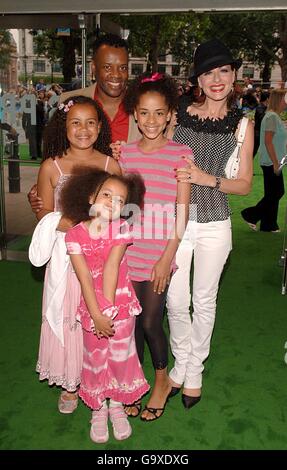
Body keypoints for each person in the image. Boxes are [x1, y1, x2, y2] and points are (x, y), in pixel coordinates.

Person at [165, 39, 254, 408]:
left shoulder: (244, 124)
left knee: (204, 300)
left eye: (223, 70)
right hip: (175, 220)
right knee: (173, 299)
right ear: (197, 80)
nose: (216, 79)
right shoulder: (176, 113)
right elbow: (156, 154)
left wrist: (207, 178)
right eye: (208, 72)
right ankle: (180, 361)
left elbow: (245, 184)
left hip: (215, 221)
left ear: (234, 76)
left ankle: (193, 370)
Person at [33, 95, 121, 414]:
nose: (83, 129)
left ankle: (99, 377)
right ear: (64, 126)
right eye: (75, 122)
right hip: (67, 258)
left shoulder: (111, 164)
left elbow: (121, 210)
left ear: (100, 127)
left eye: (90, 122)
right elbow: (45, 219)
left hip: (101, 257)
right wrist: (73, 222)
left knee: (99, 312)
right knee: (70, 315)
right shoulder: (51, 167)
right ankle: (71, 381)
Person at [117, 73, 192, 421]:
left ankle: (161, 379)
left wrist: (167, 258)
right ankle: (135, 383)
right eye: (144, 113)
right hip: (127, 251)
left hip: (159, 255)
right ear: (134, 114)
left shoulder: (181, 154)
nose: (151, 120)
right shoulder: (126, 154)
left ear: (169, 115)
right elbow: (119, 203)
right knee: (131, 324)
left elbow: (181, 212)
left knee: (149, 321)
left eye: (158, 113)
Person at [61, 168, 149, 442]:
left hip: (120, 307)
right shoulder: (74, 235)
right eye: (106, 194)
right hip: (91, 309)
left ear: (126, 207)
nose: (112, 202)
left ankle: (117, 405)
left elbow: (112, 267)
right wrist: (97, 314)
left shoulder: (122, 228)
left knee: (121, 357)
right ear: (90, 197)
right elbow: (84, 277)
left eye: (120, 200)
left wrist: (108, 312)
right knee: (95, 358)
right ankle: (98, 407)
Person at [27, 33, 140, 211]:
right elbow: (56, 155)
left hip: (133, 210)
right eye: (108, 67)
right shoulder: (70, 101)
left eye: (123, 67)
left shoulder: (145, 108)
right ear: (93, 68)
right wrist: (41, 192)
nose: (116, 75)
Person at [241, 88, 286, 232]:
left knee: (273, 193)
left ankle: (268, 224)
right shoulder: (272, 117)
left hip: (273, 160)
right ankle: (251, 215)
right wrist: (275, 162)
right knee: (277, 192)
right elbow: (268, 141)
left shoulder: (273, 116)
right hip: (271, 161)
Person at [253, 91, 269, 158]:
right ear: (267, 99)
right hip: (257, 133)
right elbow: (263, 119)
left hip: (260, 132)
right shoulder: (260, 107)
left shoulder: (263, 107)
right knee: (253, 151)